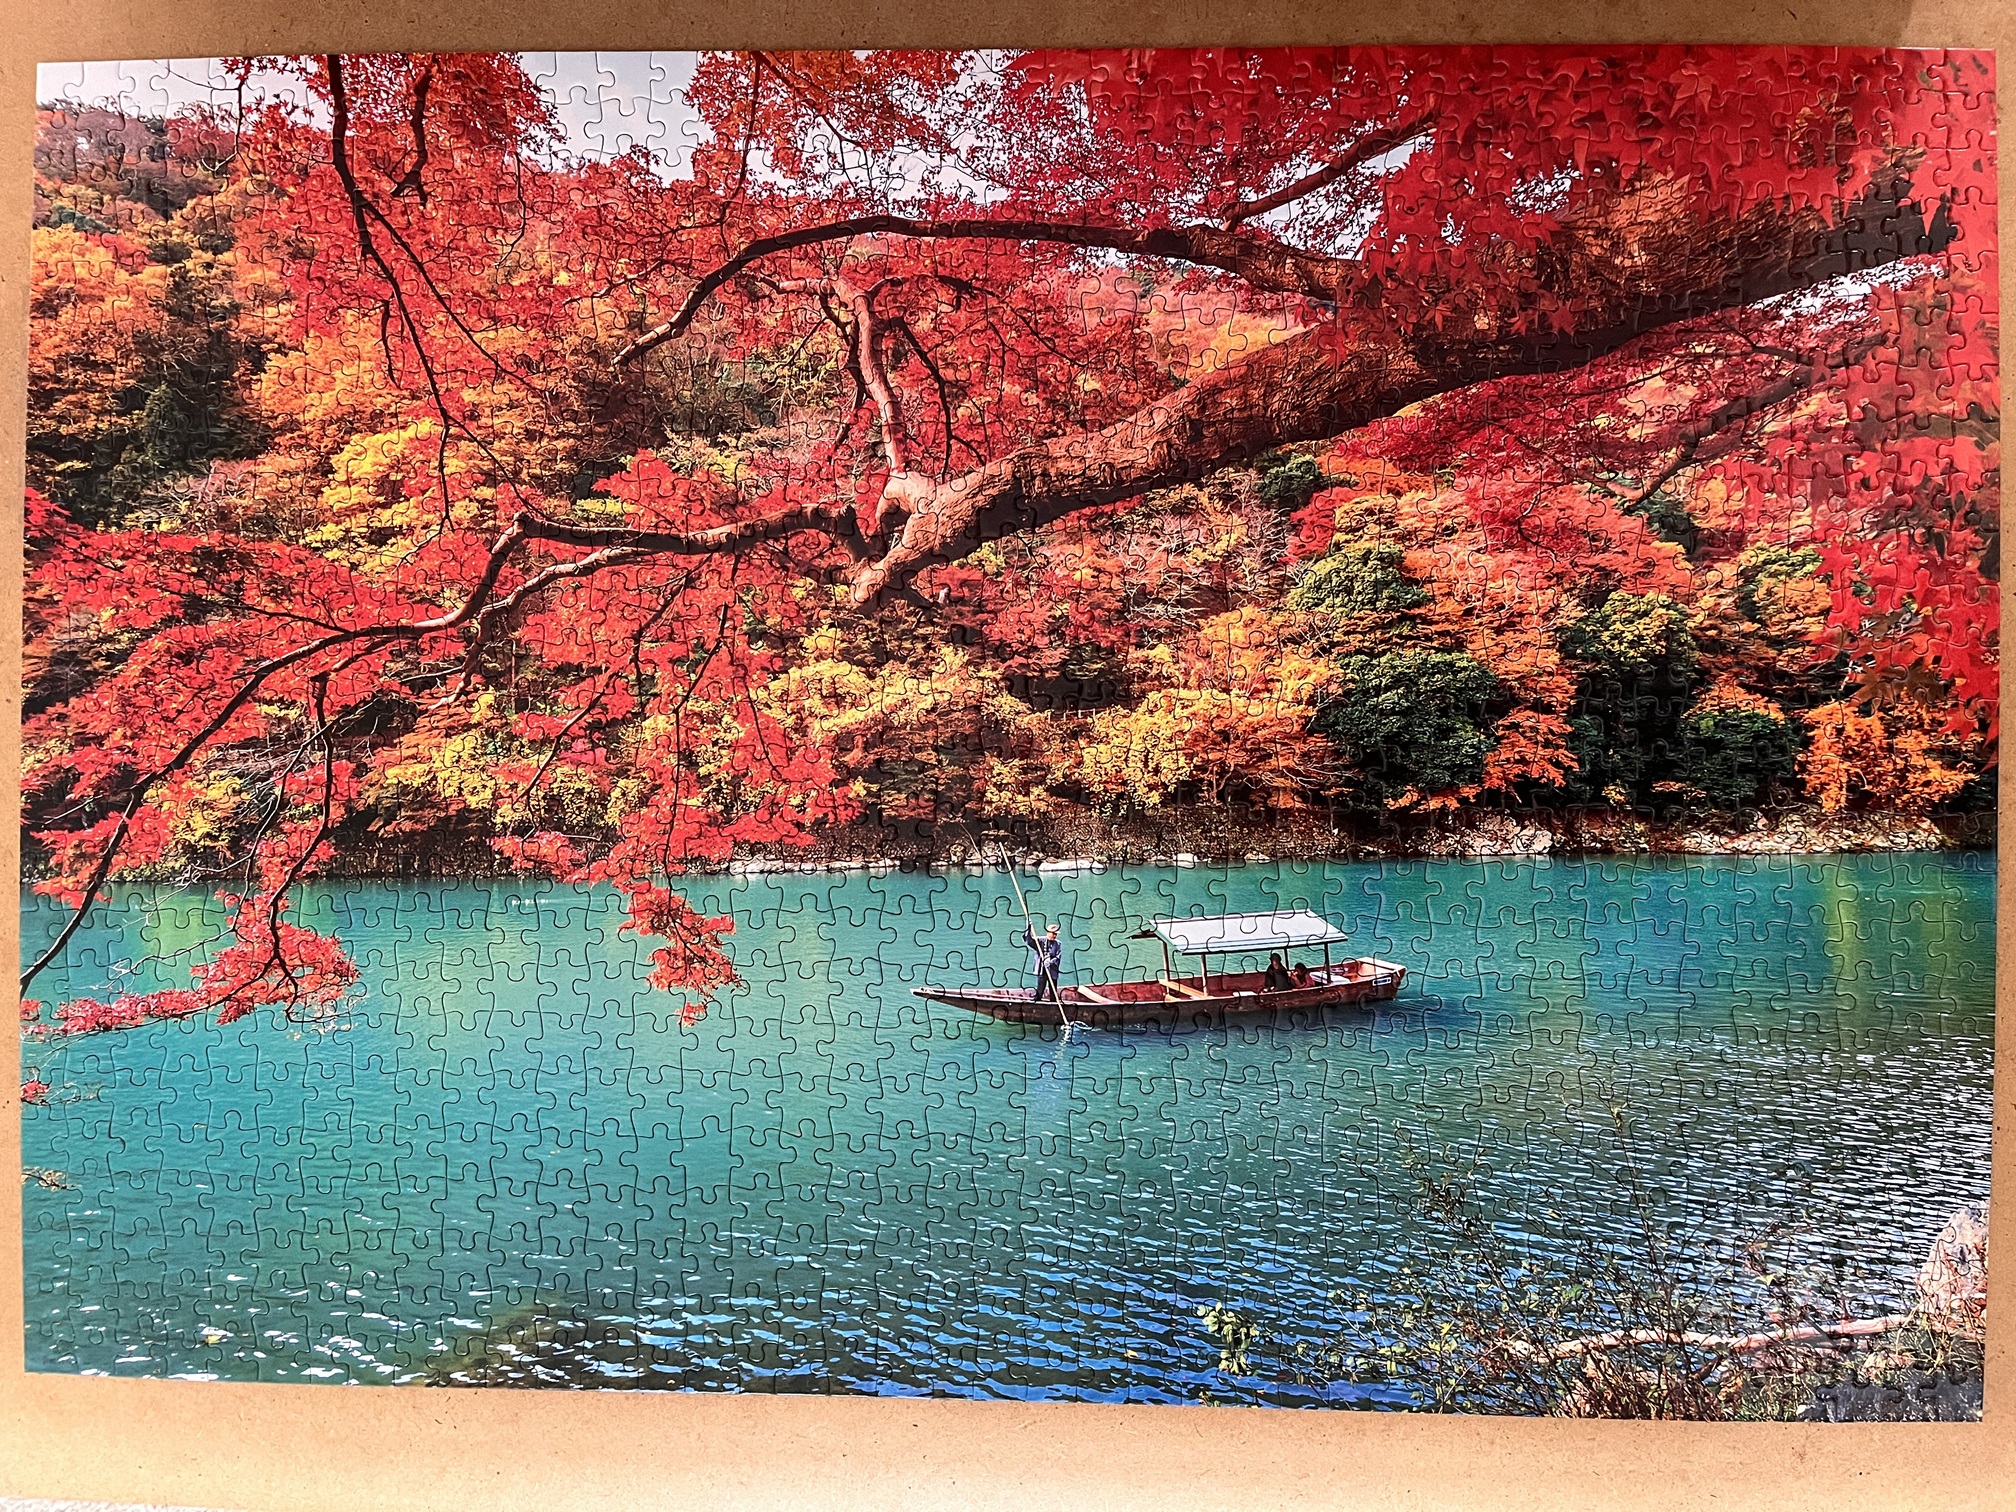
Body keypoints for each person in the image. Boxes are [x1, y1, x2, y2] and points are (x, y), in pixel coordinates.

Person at [1023, 922, 1064, 1002]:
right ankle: (1037, 1001)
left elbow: (1058, 956)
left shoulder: (1058, 944)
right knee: (1040, 987)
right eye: (1053, 934)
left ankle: (1054, 1002)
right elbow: (1029, 941)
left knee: (1053, 988)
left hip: (1052, 969)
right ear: (1048, 932)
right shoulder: (1040, 941)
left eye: (1056, 934)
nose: (1054, 936)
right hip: (1041, 969)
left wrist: (1050, 962)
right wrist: (1028, 929)